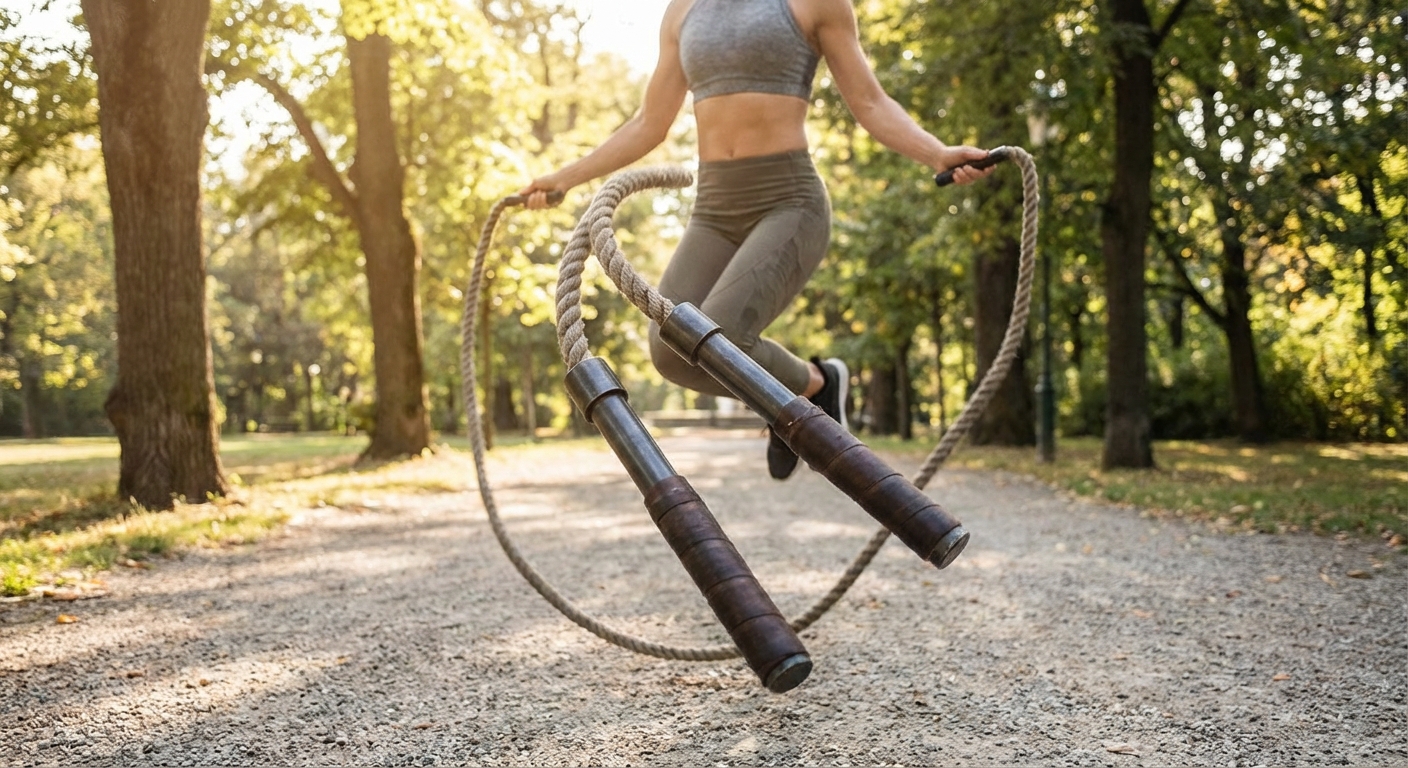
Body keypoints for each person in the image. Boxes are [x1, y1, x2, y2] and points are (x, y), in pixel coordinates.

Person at [518, 0, 993, 480]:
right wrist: (564, 178)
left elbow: (870, 102)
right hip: (713, 211)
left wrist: (936, 153)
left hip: (789, 202)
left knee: (723, 336)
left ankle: (798, 398)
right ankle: (814, 385)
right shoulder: (683, 10)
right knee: (670, 351)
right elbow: (649, 124)